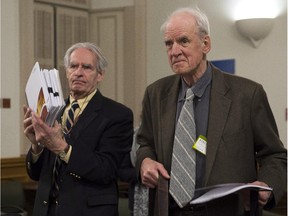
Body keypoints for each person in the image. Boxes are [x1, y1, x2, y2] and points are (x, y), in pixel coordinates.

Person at [135, 7, 287, 216]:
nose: (174, 51)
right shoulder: (156, 93)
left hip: (227, 211)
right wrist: (145, 161)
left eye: (183, 41)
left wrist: (268, 185)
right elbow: (145, 144)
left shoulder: (247, 95)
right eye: (169, 44)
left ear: (206, 44)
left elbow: (275, 155)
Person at [23, 42, 134, 216]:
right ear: (67, 72)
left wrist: (61, 147)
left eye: (87, 67)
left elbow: (106, 170)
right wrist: (36, 146)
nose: (79, 72)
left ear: (100, 75)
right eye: (73, 66)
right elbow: (36, 175)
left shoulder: (117, 115)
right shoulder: (53, 108)